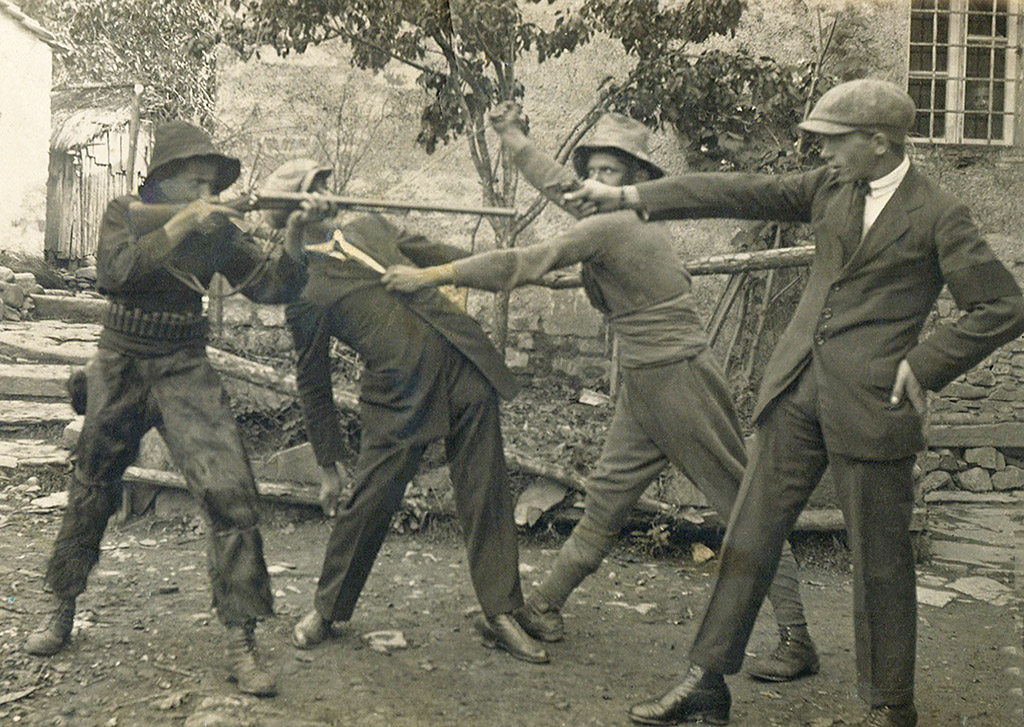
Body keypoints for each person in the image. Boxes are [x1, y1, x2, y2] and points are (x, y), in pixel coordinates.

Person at [562, 79, 1024, 726]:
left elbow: (1002, 306)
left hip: (873, 403)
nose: (824, 152)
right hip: (795, 393)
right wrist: (629, 193)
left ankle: (889, 705)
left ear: (879, 141)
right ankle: (707, 681)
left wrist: (925, 363)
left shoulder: (939, 214)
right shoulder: (829, 189)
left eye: (835, 141)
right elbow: (734, 189)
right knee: (748, 533)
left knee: (880, 560)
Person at [382, 105, 819, 682]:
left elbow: (525, 261)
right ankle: (543, 607)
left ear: (636, 180)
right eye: (594, 168)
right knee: (607, 499)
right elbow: (566, 189)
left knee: (743, 506)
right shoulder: (609, 212)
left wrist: (432, 276)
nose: (597, 180)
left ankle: (797, 638)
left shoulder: (614, 223)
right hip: (647, 378)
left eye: (612, 171)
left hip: (679, 376)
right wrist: (512, 138)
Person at [22, 121, 312, 697]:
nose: (209, 194)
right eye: (197, 182)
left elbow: (273, 287)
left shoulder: (220, 230)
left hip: (184, 362)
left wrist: (297, 239)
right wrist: (182, 225)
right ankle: (61, 606)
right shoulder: (124, 212)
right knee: (91, 484)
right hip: (121, 360)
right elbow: (113, 273)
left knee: (231, 492)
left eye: (213, 185)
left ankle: (240, 639)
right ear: (164, 180)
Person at [262, 159, 549, 664]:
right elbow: (313, 379)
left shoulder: (370, 225)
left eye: (328, 184)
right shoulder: (304, 288)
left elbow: (432, 252)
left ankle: (501, 609)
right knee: (369, 501)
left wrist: (515, 269)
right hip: (397, 395)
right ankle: (327, 610)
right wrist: (328, 463)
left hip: (460, 363)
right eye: (316, 192)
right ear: (296, 214)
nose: (331, 195)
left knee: (486, 486)